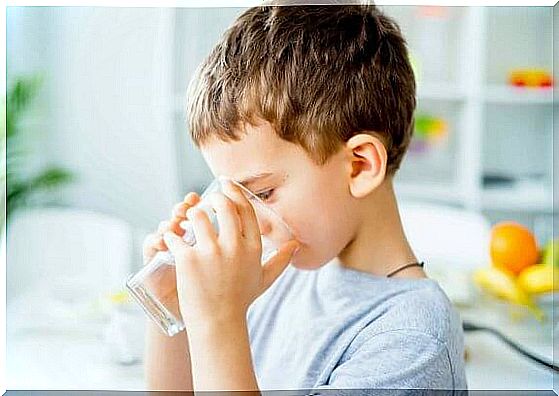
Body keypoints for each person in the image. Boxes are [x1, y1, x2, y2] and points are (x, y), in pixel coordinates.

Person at [143, 3, 468, 393]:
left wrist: (219, 321)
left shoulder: (413, 341)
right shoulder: (283, 277)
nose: (249, 218)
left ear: (360, 166)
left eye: (262, 192)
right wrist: (175, 308)